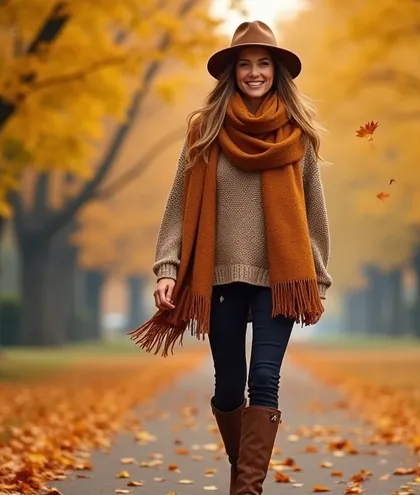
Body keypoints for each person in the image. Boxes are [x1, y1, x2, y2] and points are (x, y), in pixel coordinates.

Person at [128, 20, 332, 495]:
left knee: (265, 380)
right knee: (227, 387)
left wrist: (317, 277)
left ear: (277, 71)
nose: (255, 73)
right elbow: (179, 204)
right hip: (217, 278)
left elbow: (313, 210)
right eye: (246, 65)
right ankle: (246, 476)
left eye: (263, 64)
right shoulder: (206, 129)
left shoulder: (296, 134)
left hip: (280, 278)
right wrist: (167, 268)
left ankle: (246, 489)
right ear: (233, 72)